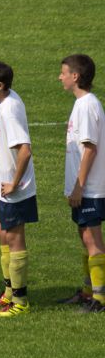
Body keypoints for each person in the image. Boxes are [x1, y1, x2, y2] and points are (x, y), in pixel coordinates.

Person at [0, 61, 37, 318]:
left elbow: (25, 149)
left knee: (14, 238)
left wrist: (14, 183)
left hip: (15, 187)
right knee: (3, 233)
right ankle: (9, 292)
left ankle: (21, 301)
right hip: (3, 184)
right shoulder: (3, 101)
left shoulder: (9, 109)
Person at [57, 54, 105, 313]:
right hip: (85, 187)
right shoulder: (82, 104)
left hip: (91, 188)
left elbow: (89, 150)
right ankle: (89, 292)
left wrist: (78, 186)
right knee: (84, 235)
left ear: (76, 76)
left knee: (92, 239)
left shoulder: (87, 105)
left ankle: (100, 298)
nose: (60, 77)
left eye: (63, 72)